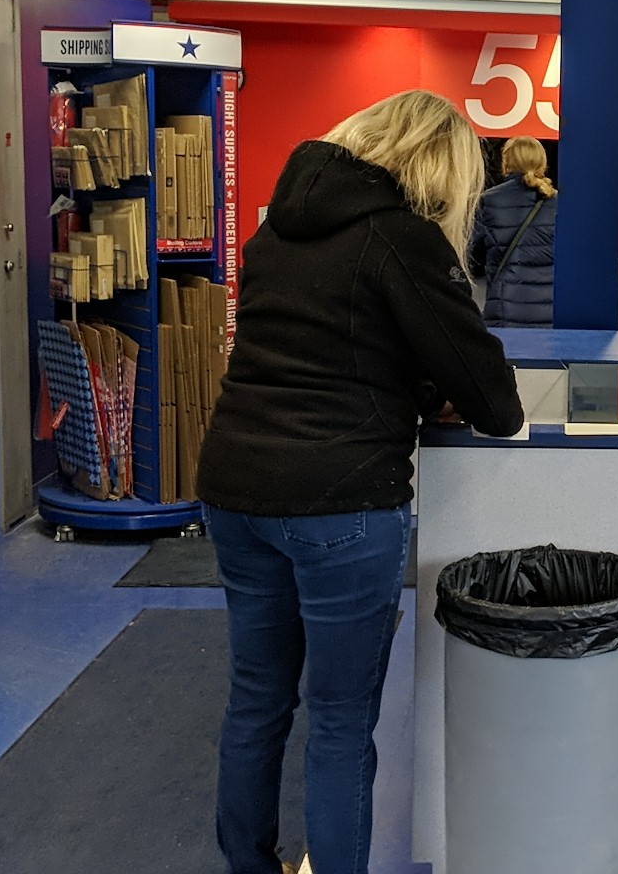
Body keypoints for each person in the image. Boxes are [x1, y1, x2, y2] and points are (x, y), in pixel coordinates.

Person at [197, 90, 525, 874]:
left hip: (235, 486)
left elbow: (332, 346)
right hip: (342, 502)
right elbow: (496, 405)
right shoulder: (403, 239)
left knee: (256, 701)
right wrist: (433, 388)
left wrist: (409, 382)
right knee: (341, 723)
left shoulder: (274, 229)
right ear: (437, 166)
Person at [470, 135, 558, 327]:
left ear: (506, 162)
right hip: (550, 310)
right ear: (542, 163)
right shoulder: (559, 203)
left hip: (504, 309)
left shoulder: (488, 201)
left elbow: (467, 254)